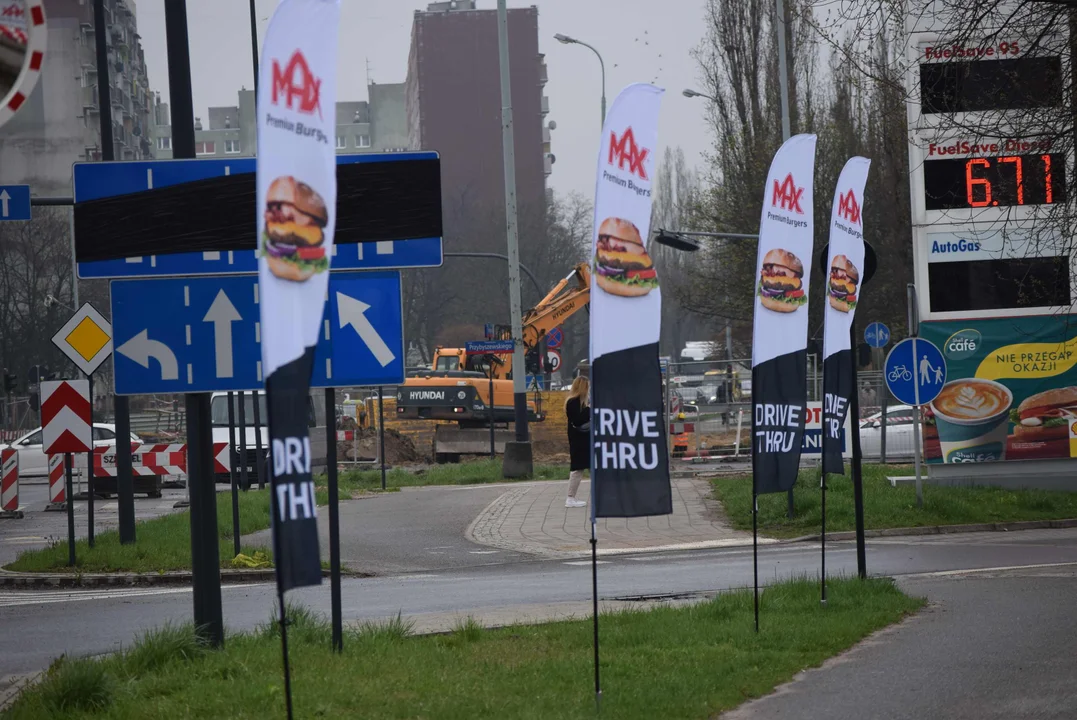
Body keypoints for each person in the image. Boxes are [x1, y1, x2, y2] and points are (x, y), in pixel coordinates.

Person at [564, 375, 591, 508]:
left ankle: (599, 495)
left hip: (583, 439)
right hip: (579, 440)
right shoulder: (573, 402)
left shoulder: (580, 401)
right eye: (587, 387)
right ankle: (570, 498)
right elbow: (578, 420)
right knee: (577, 469)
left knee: (590, 467)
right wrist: (590, 410)